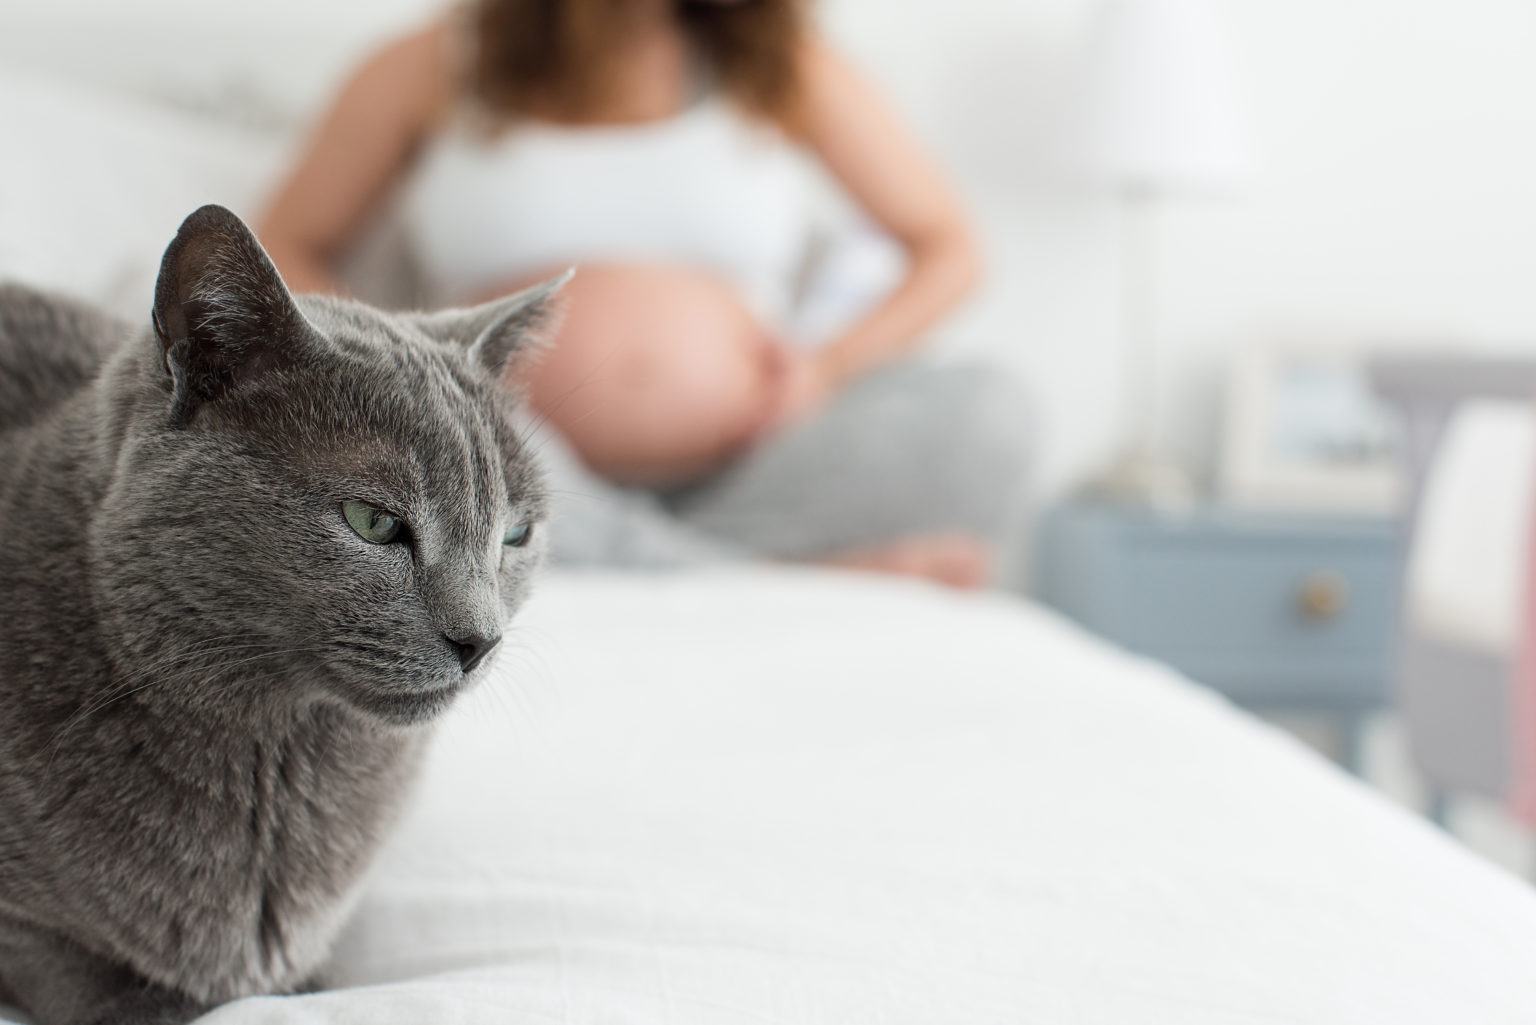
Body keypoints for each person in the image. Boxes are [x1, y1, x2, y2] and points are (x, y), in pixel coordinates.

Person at [259, 0, 1030, 587]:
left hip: (752, 464)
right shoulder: (432, 64)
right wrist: (404, 367)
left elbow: (949, 248)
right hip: (516, 457)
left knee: (988, 409)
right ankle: (762, 576)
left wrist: (825, 368)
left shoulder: (783, 65)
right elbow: (283, 245)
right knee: (438, 448)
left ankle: (650, 560)